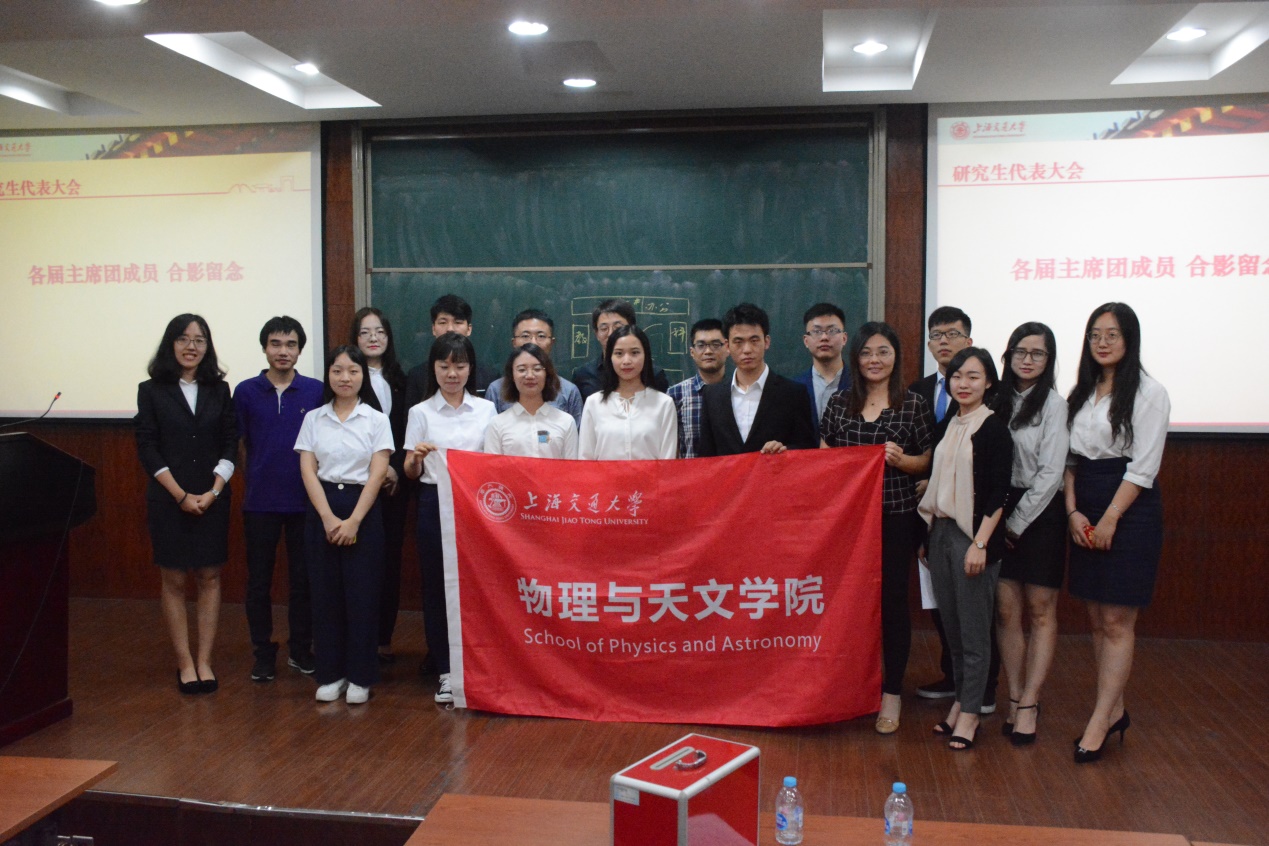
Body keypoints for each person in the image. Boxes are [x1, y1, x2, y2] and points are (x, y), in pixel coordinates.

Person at [1065, 302, 1169, 764]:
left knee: (1116, 620)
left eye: (1112, 334)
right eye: (1095, 335)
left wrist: (1109, 518)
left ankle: (1100, 719)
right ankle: (1116, 710)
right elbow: (1070, 460)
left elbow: (1144, 467)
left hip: (1129, 508)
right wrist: (1073, 512)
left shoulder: (1149, 392)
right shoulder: (1081, 392)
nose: (1102, 343)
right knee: (1094, 617)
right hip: (1084, 500)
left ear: (1130, 339)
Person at [820, 322, 932, 735]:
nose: (874, 360)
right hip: (848, 524)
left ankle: (892, 692)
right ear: (855, 357)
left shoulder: (913, 404)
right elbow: (824, 455)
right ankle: (849, 687)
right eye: (867, 352)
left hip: (896, 518)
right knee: (847, 604)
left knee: (892, 604)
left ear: (896, 357)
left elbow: (928, 461)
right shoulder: (839, 402)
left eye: (883, 352)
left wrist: (902, 461)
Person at [135, 313, 237, 695]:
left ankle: (205, 660)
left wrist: (213, 491)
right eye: (183, 338)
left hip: (212, 497)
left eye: (199, 340)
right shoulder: (151, 390)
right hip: (168, 498)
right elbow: (147, 447)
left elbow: (230, 443)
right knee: (174, 579)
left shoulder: (219, 390)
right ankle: (185, 663)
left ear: (208, 346)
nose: (191, 346)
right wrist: (179, 494)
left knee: (209, 576)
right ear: (171, 343)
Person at [917, 347, 1013, 750]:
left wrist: (981, 544)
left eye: (973, 376)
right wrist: (927, 538)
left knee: (974, 633)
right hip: (940, 533)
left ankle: (972, 713)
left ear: (988, 382)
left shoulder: (994, 429)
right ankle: (960, 701)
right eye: (957, 376)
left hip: (972, 537)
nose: (964, 383)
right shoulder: (947, 425)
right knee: (953, 630)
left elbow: (999, 493)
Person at [909, 306, 998, 710]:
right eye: (936, 335)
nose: (943, 341)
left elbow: (997, 484)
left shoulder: (993, 415)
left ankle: (980, 696)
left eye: (952, 334)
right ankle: (957, 688)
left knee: (976, 619)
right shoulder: (921, 393)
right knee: (945, 612)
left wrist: (981, 541)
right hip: (934, 520)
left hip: (973, 527)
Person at [295, 345, 394, 705]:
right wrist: (326, 517)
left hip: (362, 510)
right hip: (322, 508)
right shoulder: (314, 418)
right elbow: (308, 469)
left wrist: (353, 521)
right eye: (337, 370)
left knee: (362, 596)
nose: (345, 378)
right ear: (329, 375)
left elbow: (378, 472)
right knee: (325, 596)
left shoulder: (375, 419)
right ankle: (330, 674)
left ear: (362, 376)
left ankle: (360, 676)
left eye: (353, 371)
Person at [403, 332, 498, 705]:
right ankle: (445, 671)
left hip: (476, 507)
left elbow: (493, 464)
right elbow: (410, 471)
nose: (452, 373)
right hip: (434, 502)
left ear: (470, 368)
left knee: (478, 586)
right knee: (437, 588)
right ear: (434, 369)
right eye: (444, 366)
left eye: (459, 365)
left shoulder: (486, 410)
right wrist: (416, 458)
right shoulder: (420, 412)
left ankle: (479, 666)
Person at [233, 316, 324, 682]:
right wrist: (256, 476)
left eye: (290, 344)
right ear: (264, 348)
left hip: (305, 502)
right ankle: (263, 652)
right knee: (259, 582)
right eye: (275, 344)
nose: (283, 351)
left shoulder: (316, 391)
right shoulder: (245, 391)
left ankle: (300, 650)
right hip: (259, 503)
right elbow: (240, 444)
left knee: (304, 581)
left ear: (300, 350)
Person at [991, 322, 1068, 746]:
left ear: (1048, 360)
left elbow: (1052, 473)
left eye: (1037, 353)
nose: (1027, 359)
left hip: (1041, 512)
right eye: (1020, 351)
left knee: (1040, 610)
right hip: (999, 506)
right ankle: (1014, 694)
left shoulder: (1055, 406)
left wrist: (1016, 522)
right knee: (1006, 611)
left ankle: (1031, 702)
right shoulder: (995, 399)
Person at [351, 307, 409, 664]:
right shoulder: (348, 378)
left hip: (395, 487)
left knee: (390, 562)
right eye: (365, 332)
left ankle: (383, 639)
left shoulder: (402, 379)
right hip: (359, 484)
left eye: (380, 332)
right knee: (361, 563)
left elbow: (409, 431)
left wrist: (396, 470)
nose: (373, 338)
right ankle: (359, 640)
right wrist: (378, 468)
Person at [698, 302, 817, 456]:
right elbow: (706, 455)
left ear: (766, 342)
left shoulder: (793, 393)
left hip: (774, 471)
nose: (747, 350)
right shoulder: (712, 395)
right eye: (738, 342)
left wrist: (785, 450)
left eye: (754, 341)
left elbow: (807, 448)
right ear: (727, 346)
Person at [579, 325, 677, 460]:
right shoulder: (594, 403)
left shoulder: (664, 404)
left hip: (651, 475)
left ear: (645, 355)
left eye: (635, 353)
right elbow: (585, 459)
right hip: (605, 475)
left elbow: (668, 460)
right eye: (619, 353)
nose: (626, 361)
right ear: (610, 357)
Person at [484, 309, 584, 426]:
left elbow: (576, 434)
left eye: (541, 336)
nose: (533, 342)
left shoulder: (569, 391)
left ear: (552, 343)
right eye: (525, 336)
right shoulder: (496, 390)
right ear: (514, 342)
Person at [484, 344, 579, 459]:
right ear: (512, 375)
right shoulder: (497, 424)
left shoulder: (566, 422)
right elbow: (492, 468)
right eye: (521, 370)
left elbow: (571, 467)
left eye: (537, 369)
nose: (529, 376)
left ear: (547, 374)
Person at [405, 294, 497, 406]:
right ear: (433, 329)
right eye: (443, 322)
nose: (450, 329)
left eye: (457, 322)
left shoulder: (490, 376)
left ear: (469, 329)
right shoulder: (416, 376)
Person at [570, 299, 670, 399]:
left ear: (632, 328)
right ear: (596, 334)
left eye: (618, 327)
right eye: (604, 329)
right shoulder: (583, 375)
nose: (610, 334)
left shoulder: (655, 375)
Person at [667, 318, 727, 458]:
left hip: (731, 471)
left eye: (715, 344)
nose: (708, 351)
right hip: (689, 472)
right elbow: (670, 447)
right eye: (701, 345)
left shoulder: (737, 392)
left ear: (727, 348)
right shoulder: (675, 394)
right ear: (692, 352)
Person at [793, 303, 850, 425]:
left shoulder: (861, 384)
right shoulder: (793, 388)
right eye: (816, 331)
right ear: (806, 341)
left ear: (844, 338)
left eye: (832, 331)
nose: (824, 337)